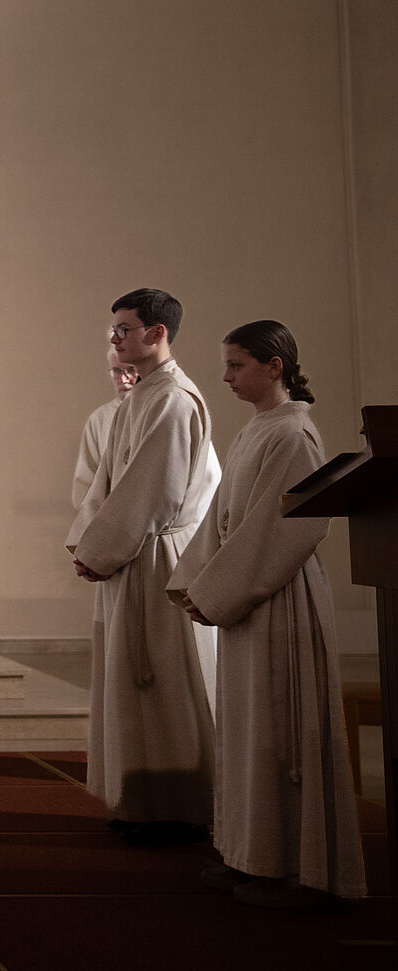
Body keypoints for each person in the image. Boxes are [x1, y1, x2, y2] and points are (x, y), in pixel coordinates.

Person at [168, 321, 366, 905]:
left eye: (237, 365)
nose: (225, 377)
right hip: (247, 599)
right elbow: (223, 516)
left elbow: (282, 530)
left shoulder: (293, 434)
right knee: (247, 733)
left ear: (274, 366)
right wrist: (199, 585)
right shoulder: (258, 428)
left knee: (280, 732)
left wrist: (217, 592)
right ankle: (250, 855)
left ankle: (295, 869)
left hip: (278, 597)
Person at [68, 288, 220, 845]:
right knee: (134, 687)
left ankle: (176, 806)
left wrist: (99, 551)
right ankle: (138, 799)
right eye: (112, 331)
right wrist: (88, 545)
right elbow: (108, 482)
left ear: (157, 334)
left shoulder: (173, 400)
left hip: (156, 562)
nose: (114, 339)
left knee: (162, 685)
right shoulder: (142, 397)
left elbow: (151, 492)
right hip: (130, 557)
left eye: (123, 330)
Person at [74, 344, 140, 508]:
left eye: (131, 370)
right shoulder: (98, 420)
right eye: (117, 371)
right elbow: (85, 485)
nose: (123, 379)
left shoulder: (162, 410)